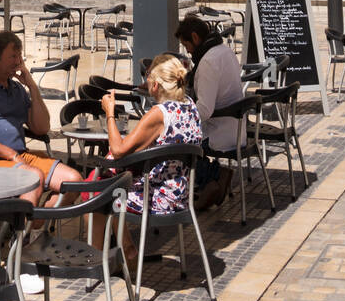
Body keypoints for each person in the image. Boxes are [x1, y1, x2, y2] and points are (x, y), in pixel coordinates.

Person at [0, 30, 82, 206]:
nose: (18, 62)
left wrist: (32, 86)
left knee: (74, 181)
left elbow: (41, 128)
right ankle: (24, 223)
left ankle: (33, 219)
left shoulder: (17, 89)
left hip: (19, 158)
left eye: (19, 56)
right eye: (13, 56)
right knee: (33, 178)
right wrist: (11, 154)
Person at [100, 52, 203, 217]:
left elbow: (118, 150)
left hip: (155, 198)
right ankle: (122, 234)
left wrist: (109, 113)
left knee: (97, 191)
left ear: (155, 85)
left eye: (147, 75)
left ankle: (114, 234)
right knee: (111, 179)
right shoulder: (190, 106)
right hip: (181, 197)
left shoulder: (159, 113)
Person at [175, 14, 241, 210]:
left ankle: (212, 176)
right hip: (235, 125)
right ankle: (209, 179)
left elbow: (204, 109)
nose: (187, 51)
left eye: (186, 45)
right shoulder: (225, 51)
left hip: (219, 130)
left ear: (195, 37)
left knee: (173, 140)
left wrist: (176, 116)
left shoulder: (208, 62)